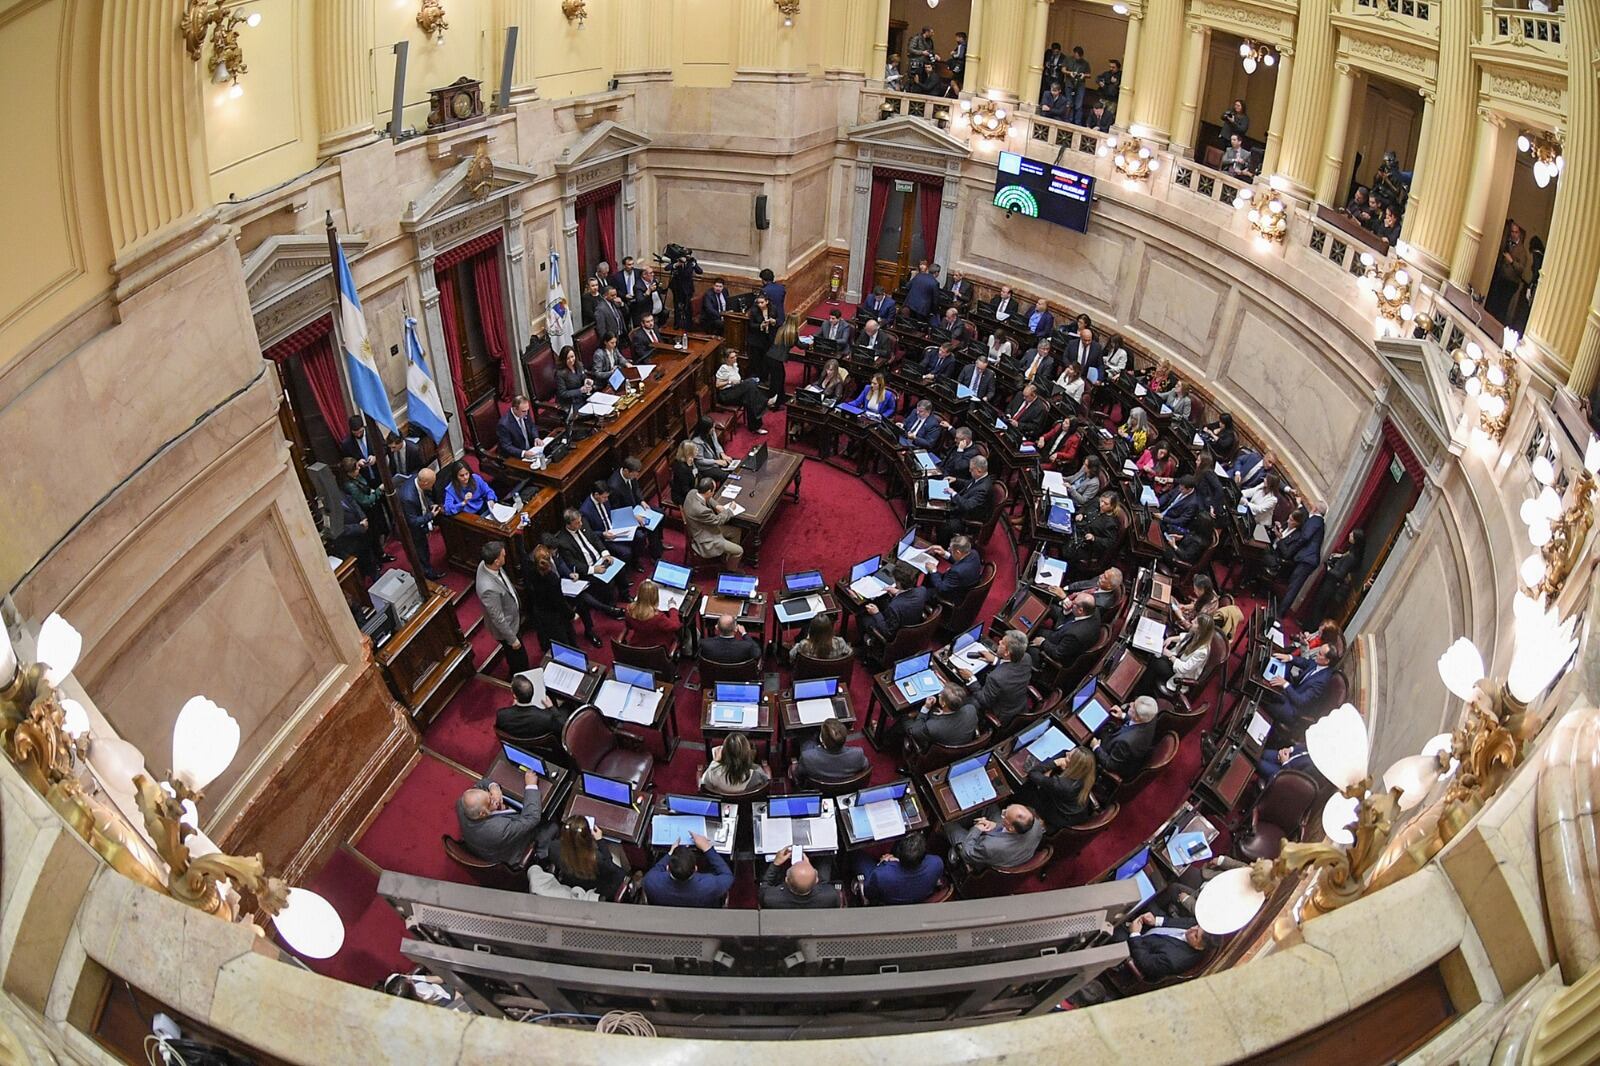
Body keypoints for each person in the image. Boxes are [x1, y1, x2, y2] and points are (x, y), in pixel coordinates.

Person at [456, 770, 542, 866]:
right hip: (515, 849)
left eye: (489, 795)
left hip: (486, 845)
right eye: (490, 802)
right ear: (483, 814)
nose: (495, 799)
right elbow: (532, 818)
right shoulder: (498, 829)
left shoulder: (463, 804)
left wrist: (494, 788)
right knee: (550, 826)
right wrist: (531, 785)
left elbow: (481, 784)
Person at [1116, 907, 1211, 981]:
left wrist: (1135, 934)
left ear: (1198, 947)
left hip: (1138, 948)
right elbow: (1173, 922)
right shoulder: (1194, 925)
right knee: (1149, 902)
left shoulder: (1173, 961)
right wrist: (1155, 921)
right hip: (1151, 931)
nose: (1191, 929)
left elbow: (1145, 963)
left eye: (1195, 935)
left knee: (1116, 932)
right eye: (1197, 926)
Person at [961, 630, 1033, 727]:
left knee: (968, 701)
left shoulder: (996, 678)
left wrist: (971, 679)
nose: (999, 642)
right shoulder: (1026, 658)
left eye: (1002, 643)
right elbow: (1011, 668)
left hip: (1002, 715)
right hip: (1019, 705)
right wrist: (995, 660)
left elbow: (984, 701)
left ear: (1007, 653)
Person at [522, 542, 588, 650]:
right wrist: (571, 614)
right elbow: (559, 602)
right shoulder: (552, 578)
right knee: (565, 642)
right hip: (555, 616)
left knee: (548, 641)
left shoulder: (530, 572)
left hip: (540, 613)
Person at [1261, 642, 1338, 732]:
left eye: (1320, 654)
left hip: (1294, 710)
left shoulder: (1321, 681)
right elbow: (1305, 662)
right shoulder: (1319, 664)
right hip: (1292, 694)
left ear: (1327, 661)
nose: (1317, 654)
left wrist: (1285, 684)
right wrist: (1289, 657)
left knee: (1265, 702)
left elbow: (1301, 701)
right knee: (1267, 689)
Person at [642, 833, 735, 907]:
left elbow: (656, 869)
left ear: (667, 868)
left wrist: (670, 853)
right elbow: (727, 876)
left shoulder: (650, 881)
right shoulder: (709, 885)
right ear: (696, 868)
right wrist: (707, 848)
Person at [476, 541, 527, 675]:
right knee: (518, 659)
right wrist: (512, 639)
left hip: (513, 616)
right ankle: (519, 675)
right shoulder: (488, 589)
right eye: (503, 556)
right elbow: (498, 618)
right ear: (496, 562)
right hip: (508, 628)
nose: (506, 556)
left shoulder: (486, 564)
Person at [550, 815, 629, 900]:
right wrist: (600, 840)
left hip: (570, 882)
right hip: (595, 889)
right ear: (588, 836)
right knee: (616, 848)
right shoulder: (596, 858)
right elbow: (616, 871)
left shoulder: (554, 847)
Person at [946, 804, 1043, 872]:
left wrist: (977, 828)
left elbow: (967, 852)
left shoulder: (989, 846)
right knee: (991, 806)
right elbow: (1010, 829)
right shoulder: (1036, 824)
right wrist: (996, 825)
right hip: (1016, 849)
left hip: (984, 853)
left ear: (1011, 827)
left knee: (948, 825)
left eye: (1004, 814)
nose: (1003, 812)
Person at [1139, 615, 1215, 698]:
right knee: (1155, 656)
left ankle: (1142, 691)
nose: (1192, 621)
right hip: (1177, 661)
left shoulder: (1202, 652)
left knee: (1156, 663)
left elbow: (1183, 669)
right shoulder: (1197, 635)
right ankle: (1144, 688)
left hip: (1180, 674)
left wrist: (1170, 655)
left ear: (1200, 630)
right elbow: (1185, 636)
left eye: (1196, 622)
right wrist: (1171, 638)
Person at [862, 832, 945, 905]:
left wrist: (882, 864)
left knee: (858, 856)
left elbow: (869, 893)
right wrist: (894, 861)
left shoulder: (881, 874)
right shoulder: (937, 863)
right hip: (919, 896)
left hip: (890, 902)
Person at [1273, 504, 1326, 617]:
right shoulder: (1318, 522)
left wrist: (1290, 550)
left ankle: (1279, 613)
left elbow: (1305, 537)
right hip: (1307, 559)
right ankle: (1279, 609)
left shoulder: (1316, 520)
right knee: (1293, 584)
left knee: (1294, 586)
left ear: (1315, 509)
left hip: (1307, 559)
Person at [1026, 748, 1097, 832]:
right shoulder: (1088, 775)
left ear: (1074, 766)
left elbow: (1033, 773)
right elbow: (1065, 751)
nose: (1066, 753)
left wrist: (1057, 762)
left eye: (1069, 756)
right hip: (1077, 812)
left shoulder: (1063, 784)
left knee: (1027, 791)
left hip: (1060, 817)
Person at [607, 456, 666, 558]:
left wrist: (642, 501)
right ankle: (655, 554)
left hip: (637, 507)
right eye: (635, 474)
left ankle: (658, 543)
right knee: (648, 529)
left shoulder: (631, 476)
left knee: (661, 513)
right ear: (626, 471)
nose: (636, 476)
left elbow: (636, 489)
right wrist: (634, 517)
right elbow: (616, 510)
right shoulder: (614, 486)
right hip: (625, 516)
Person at [553, 506, 619, 593]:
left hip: (601, 560)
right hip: (588, 569)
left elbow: (595, 539)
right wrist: (593, 569)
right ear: (568, 524)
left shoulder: (583, 522)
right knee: (608, 583)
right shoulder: (563, 541)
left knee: (618, 568)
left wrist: (605, 553)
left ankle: (626, 595)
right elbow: (572, 563)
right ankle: (611, 605)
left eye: (580, 521)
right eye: (577, 523)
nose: (580, 524)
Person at [893, 682, 978, 749]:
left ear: (944, 703)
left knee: (904, 716)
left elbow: (915, 731)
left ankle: (887, 740)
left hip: (940, 750)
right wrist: (944, 713)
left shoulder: (932, 727)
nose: (939, 695)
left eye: (940, 695)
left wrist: (925, 708)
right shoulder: (971, 709)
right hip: (960, 743)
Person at [864, 563, 935, 641]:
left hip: (898, 635)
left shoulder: (895, 606)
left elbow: (888, 633)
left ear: (898, 583)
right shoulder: (921, 590)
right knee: (883, 601)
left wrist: (876, 613)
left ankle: (869, 641)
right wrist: (897, 592)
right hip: (912, 620)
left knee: (863, 617)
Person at [683, 478, 744, 568]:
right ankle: (731, 569)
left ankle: (726, 558)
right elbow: (718, 521)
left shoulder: (692, 493)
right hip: (706, 540)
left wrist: (716, 505)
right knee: (739, 551)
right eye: (713, 491)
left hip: (702, 528)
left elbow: (708, 498)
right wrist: (730, 510)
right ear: (708, 491)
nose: (713, 493)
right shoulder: (702, 511)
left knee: (736, 532)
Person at [1094, 695, 1160, 778]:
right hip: (1125, 743)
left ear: (1137, 717)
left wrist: (1096, 747)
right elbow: (1139, 721)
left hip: (1119, 760)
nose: (1131, 704)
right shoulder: (1151, 715)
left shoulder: (1126, 742)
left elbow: (1110, 765)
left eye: (1133, 707)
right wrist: (1123, 715)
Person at [338, 457, 388, 566]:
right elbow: (365, 501)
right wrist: (379, 491)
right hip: (366, 512)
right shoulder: (350, 486)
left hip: (372, 508)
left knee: (376, 533)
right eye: (356, 469)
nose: (358, 470)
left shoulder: (355, 476)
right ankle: (378, 559)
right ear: (349, 473)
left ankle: (380, 555)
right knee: (372, 537)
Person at [1032, 593, 1103, 669]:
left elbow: (1058, 653)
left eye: (1074, 603)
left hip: (1061, 648)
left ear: (1080, 610)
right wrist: (1067, 611)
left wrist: (1042, 642)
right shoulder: (1093, 610)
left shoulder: (1075, 635)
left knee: (1034, 635)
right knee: (1050, 610)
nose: (1071, 602)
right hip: (1066, 631)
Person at [397, 467, 444, 580]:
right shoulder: (408, 498)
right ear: (425, 482)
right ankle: (427, 575)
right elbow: (413, 521)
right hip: (412, 531)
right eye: (432, 484)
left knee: (424, 550)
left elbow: (424, 496)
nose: (433, 486)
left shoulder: (417, 478)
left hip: (420, 518)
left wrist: (430, 504)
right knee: (421, 552)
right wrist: (431, 515)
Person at [578, 482, 636, 570]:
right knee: (626, 552)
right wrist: (602, 534)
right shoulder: (585, 510)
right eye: (604, 497)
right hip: (604, 538)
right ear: (596, 495)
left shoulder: (604, 499)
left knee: (639, 536)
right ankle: (626, 572)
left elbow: (612, 512)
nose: (606, 499)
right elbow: (589, 534)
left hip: (615, 528)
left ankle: (635, 563)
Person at [496, 671, 563, 745]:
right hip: (543, 747)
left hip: (519, 747)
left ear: (514, 695)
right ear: (533, 692)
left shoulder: (502, 715)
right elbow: (561, 728)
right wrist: (551, 708)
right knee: (567, 707)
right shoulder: (547, 717)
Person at [760, 847, 840, 909]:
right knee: (825, 856)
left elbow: (764, 886)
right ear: (817, 880)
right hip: (818, 901)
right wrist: (807, 866)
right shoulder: (831, 895)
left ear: (786, 880)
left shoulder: (770, 898)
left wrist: (776, 864)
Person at [1312, 529, 1366, 620]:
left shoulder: (1351, 557)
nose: (1349, 535)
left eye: (1352, 535)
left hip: (1332, 584)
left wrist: (1329, 569)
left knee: (1319, 606)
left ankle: (1310, 628)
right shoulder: (1352, 552)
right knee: (1318, 604)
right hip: (1331, 583)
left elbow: (1340, 575)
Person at [795, 717, 868, 782]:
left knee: (806, 742)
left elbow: (799, 774)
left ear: (822, 742)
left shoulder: (808, 757)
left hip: (818, 789)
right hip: (846, 789)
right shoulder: (858, 754)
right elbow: (865, 768)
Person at [715, 349, 768, 435]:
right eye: (732, 357)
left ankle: (755, 427)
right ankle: (766, 402)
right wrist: (729, 382)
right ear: (726, 359)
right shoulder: (723, 368)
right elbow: (717, 385)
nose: (735, 358)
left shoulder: (735, 366)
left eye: (735, 356)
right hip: (726, 394)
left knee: (750, 399)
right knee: (751, 382)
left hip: (735, 391)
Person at [1488, 221, 1533, 322]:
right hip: (1501, 277)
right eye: (1512, 232)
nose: (1513, 234)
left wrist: (1512, 261)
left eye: (1516, 232)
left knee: (1503, 305)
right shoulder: (1506, 242)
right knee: (1494, 301)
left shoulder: (1522, 251)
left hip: (1511, 282)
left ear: (1519, 234)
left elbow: (1521, 268)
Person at [943, 454, 994, 541]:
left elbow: (967, 506)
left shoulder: (983, 489)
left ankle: (943, 547)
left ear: (979, 471)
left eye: (971, 469)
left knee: (943, 525)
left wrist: (953, 493)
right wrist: (956, 479)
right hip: (962, 508)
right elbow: (969, 485)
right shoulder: (980, 478)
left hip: (967, 518)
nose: (969, 471)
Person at [701, 732, 770, 796]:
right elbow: (766, 784)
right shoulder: (756, 773)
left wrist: (715, 762)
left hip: (721, 803)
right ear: (747, 753)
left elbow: (703, 784)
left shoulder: (712, 771)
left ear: (724, 752)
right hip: (746, 803)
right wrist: (767, 769)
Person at [331, 488, 378, 581]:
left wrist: (363, 518)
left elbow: (352, 501)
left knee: (370, 560)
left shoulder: (338, 491)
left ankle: (377, 577)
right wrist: (360, 527)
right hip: (349, 543)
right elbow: (338, 529)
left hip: (362, 535)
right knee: (360, 572)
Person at [623, 579, 679, 651]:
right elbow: (675, 626)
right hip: (657, 649)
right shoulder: (658, 618)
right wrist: (672, 608)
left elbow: (629, 626)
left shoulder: (629, 610)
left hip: (637, 647)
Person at [747, 293, 783, 407]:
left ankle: (766, 376)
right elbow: (750, 325)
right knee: (758, 360)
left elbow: (780, 321)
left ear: (767, 302)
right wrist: (760, 326)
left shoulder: (773, 309)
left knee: (768, 360)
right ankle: (761, 378)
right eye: (758, 302)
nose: (760, 304)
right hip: (758, 340)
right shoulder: (753, 311)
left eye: (762, 302)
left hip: (770, 339)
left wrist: (774, 322)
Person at [690, 417, 739, 482]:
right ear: (705, 429)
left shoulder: (711, 432)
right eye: (711, 428)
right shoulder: (696, 442)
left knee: (735, 462)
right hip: (706, 468)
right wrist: (716, 461)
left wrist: (723, 454)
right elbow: (700, 461)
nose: (713, 429)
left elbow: (717, 444)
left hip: (716, 459)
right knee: (725, 476)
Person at [339, 414, 381, 485]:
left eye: (360, 432)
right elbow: (347, 464)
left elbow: (384, 447)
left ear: (363, 427)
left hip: (380, 473)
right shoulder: (346, 444)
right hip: (364, 480)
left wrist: (376, 457)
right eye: (355, 433)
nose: (358, 435)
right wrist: (357, 463)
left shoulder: (373, 431)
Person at [497, 396, 541, 460]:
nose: (526, 413)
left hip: (531, 450)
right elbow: (507, 446)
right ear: (515, 409)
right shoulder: (504, 425)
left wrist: (536, 437)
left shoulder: (525, 411)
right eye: (524, 411)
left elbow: (532, 426)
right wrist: (523, 453)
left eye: (527, 410)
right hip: (515, 456)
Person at [1063, 45, 1091, 123]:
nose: (1078, 57)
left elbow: (1089, 74)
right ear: (1074, 54)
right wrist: (1070, 73)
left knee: (1079, 104)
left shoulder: (1085, 63)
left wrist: (1083, 75)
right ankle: (1068, 120)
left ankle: (1077, 122)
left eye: (1079, 56)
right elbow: (1063, 69)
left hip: (1080, 85)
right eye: (1077, 55)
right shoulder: (1068, 59)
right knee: (1069, 103)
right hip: (1069, 83)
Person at [669, 440, 698, 506]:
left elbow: (697, 474)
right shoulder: (681, 469)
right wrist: (698, 496)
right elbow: (684, 489)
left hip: (692, 489)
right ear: (689, 452)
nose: (697, 450)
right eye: (695, 449)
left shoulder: (692, 460)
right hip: (682, 496)